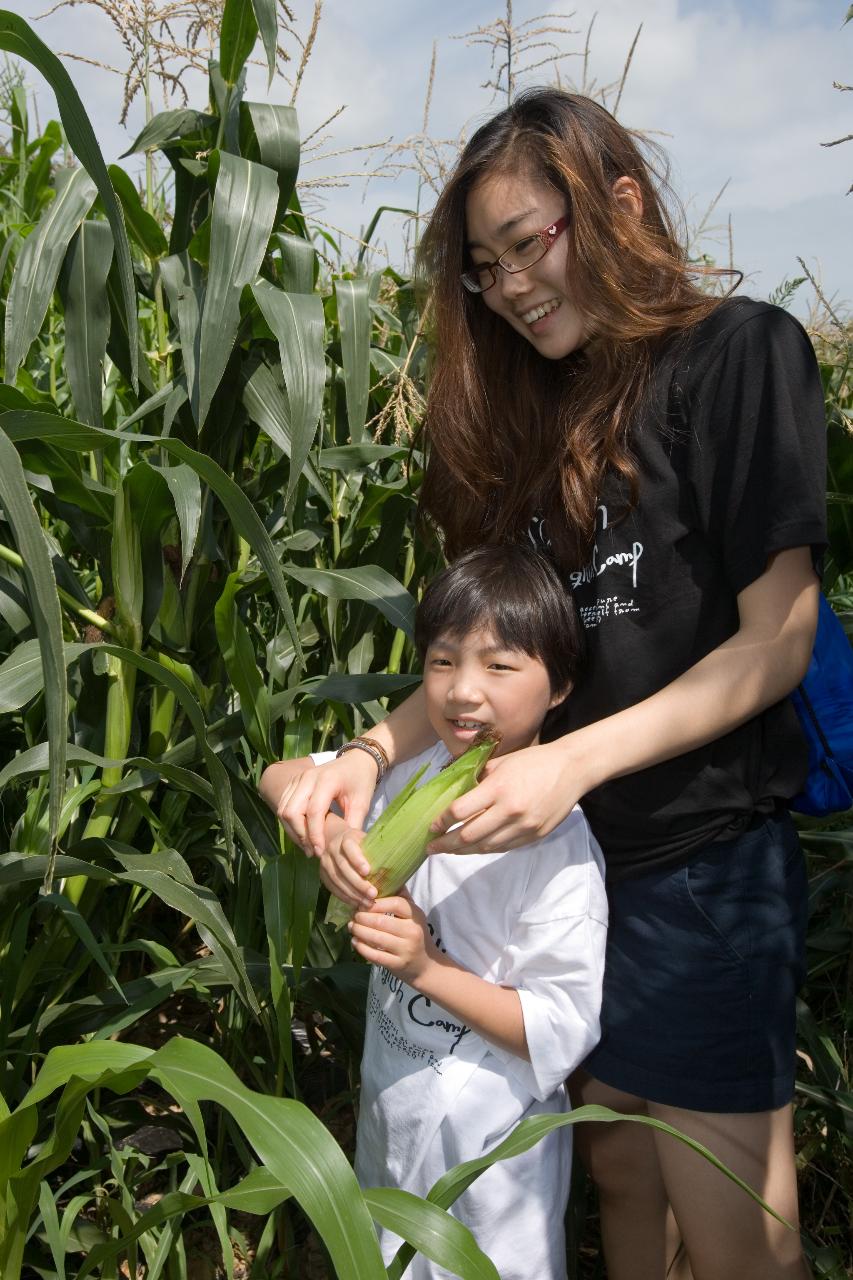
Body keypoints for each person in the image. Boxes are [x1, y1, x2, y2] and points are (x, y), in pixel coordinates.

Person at [275, 90, 826, 1280]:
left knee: (733, 1220)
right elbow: (487, 655)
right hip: (567, 877)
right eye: (485, 266)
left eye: (531, 242)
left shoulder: (737, 356)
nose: (513, 286)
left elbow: (777, 636)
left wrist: (568, 760)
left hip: (698, 862)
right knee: (621, 1172)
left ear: (619, 205)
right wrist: (369, 755)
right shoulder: (532, 422)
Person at [261, 545, 607, 1280]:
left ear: (559, 687)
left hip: (492, 1175)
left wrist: (425, 966)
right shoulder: (409, 774)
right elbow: (280, 777)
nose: (462, 692)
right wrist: (336, 838)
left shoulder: (559, 845)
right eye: (443, 662)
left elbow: (558, 1028)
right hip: (394, 1122)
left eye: (499, 666)